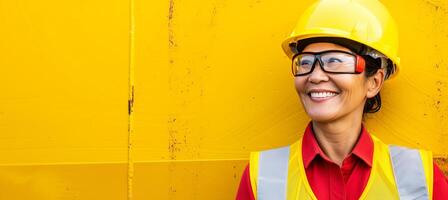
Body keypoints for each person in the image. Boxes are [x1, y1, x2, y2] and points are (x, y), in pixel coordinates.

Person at [236, 0, 448, 199]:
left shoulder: (421, 178)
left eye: (334, 60)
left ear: (374, 82)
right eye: (305, 62)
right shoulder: (262, 176)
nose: (315, 76)